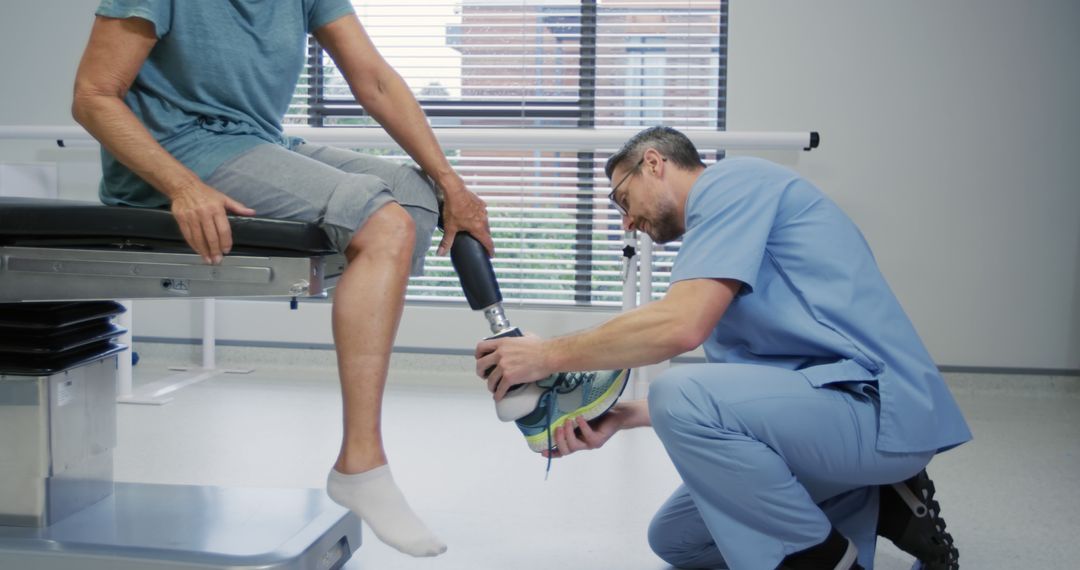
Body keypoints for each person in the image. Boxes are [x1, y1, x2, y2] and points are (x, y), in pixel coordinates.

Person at [72, 0, 494, 557]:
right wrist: (181, 186)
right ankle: (361, 463)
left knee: (417, 197)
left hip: (257, 142)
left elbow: (375, 80)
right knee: (383, 223)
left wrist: (452, 183)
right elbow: (93, 95)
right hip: (177, 153)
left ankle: (503, 346)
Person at [475, 126, 970, 569]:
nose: (626, 221)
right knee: (677, 541)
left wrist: (544, 356)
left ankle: (822, 560)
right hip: (829, 413)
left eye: (622, 200)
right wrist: (624, 416)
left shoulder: (733, 185)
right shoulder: (718, 243)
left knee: (680, 392)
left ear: (654, 163)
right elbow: (766, 395)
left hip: (877, 410)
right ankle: (877, 499)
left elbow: (680, 327)